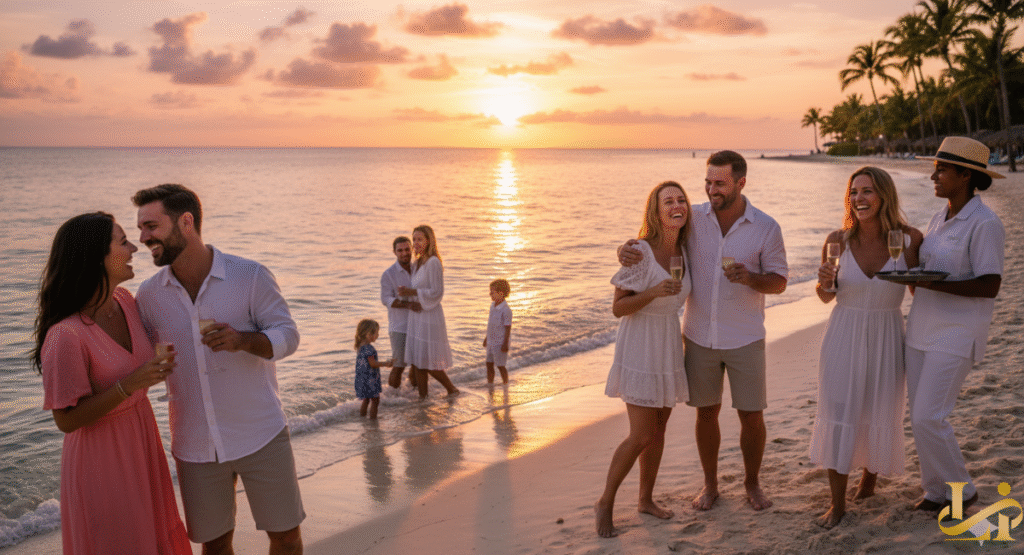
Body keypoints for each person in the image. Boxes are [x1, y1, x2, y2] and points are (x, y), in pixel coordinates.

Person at [133, 184, 305, 555]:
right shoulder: (148, 295)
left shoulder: (250, 276)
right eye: (140, 229)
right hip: (193, 443)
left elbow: (288, 335)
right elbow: (138, 359)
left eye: (151, 226)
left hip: (261, 431)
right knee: (213, 545)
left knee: (287, 538)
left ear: (186, 222)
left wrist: (244, 340)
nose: (143, 237)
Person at [619, 150, 788, 511]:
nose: (712, 189)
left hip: (745, 336)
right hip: (697, 337)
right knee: (705, 414)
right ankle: (710, 485)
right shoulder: (693, 218)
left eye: (720, 183)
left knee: (752, 415)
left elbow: (780, 282)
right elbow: (658, 237)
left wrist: (751, 278)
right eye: (708, 182)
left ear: (741, 183)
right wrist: (626, 248)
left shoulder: (766, 227)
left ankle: (752, 484)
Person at [33, 212, 191, 555]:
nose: (134, 247)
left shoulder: (125, 302)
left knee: (155, 538)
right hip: (101, 462)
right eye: (122, 242)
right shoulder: (66, 335)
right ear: (96, 258)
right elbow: (66, 420)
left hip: (142, 442)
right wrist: (128, 385)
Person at [807, 167, 923, 528]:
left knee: (879, 409)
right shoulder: (837, 240)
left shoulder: (909, 240)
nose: (859, 199)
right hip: (843, 334)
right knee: (839, 411)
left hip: (889, 334)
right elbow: (826, 297)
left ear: (884, 196)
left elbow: (918, 291)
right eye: (853, 192)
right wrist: (823, 283)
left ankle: (869, 482)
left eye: (868, 191)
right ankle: (837, 504)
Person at [905, 137, 1005, 514]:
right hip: (920, 328)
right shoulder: (938, 217)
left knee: (930, 416)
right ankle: (935, 492)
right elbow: (923, 273)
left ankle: (964, 492)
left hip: (957, 333)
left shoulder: (985, 223)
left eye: (942, 169)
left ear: (966, 175)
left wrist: (932, 282)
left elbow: (990, 285)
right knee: (918, 417)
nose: (934, 175)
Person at [596, 181, 692, 538]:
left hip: (668, 344)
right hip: (639, 345)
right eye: (669, 201)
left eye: (681, 199)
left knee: (659, 430)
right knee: (640, 434)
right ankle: (605, 502)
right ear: (656, 210)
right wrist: (652, 292)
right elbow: (618, 308)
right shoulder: (639, 251)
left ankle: (645, 499)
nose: (677, 205)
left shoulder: (686, 248)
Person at [399, 225, 460, 399]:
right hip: (417, 315)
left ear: (429, 240)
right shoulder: (417, 262)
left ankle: (451, 389)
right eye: (414, 239)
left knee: (427, 361)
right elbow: (416, 288)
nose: (416, 243)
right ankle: (422, 399)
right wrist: (407, 298)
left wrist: (413, 293)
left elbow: (437, 292)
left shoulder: (433, 262)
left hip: (430, 315)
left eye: (420, 239)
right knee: (418, 361)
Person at [381, 236, 420, 389]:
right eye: (400, 250)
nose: (404, 253)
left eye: (407, 249)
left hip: (419, 323)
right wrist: (409, 304)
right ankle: (393, 399)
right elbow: (386, 299)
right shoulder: (389, 274)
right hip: (399, 326)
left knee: (418, 364)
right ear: (394, 252)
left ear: (411, 249)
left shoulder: (418, 269)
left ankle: (413, 396)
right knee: (399, 365)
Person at [354, 319, 393, 419]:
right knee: (375, 400)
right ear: (368, 334)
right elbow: (373, 364)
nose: (378, 335)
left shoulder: (360, 346)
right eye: (376, 333)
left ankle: (362, 418)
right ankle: (373, 420)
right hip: (369, 379)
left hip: (362, 378)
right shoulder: (369, 348)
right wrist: (385, 363)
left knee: (366, 399)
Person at [484, 278, 513, 384]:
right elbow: (491, 324)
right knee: (489, 364)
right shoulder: (492, 306)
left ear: (501, 293)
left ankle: (506, 383)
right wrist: (487, 338)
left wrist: (505, 343)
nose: (490, 294)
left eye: (492, 292)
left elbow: (507, 327)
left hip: (500, 342)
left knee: (500, 365)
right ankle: (490, 383)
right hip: (491, 341)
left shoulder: (506, 310)